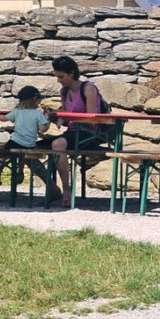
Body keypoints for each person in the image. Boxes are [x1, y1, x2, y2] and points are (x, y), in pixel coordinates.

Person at [45, 56, 107, 207]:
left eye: (61, 76)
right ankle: (54, 189)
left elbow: (92, 117)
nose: (59, 80)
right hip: (73, 132)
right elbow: (67, 120)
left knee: (58, 144)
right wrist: (55, 116)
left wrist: (67, 117)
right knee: (31, 146)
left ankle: (66, 189)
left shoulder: (88, 88)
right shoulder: (64, 92)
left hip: (90, 134)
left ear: (72, 73)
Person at [0, 85, 57, 201]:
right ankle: (54, 190)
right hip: (30, 146)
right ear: (34, 99)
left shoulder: (17, 112)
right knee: (31, 160)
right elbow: (43, 130)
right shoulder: (37, 114)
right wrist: (47, 119)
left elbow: (3, 118)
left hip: (15, 143)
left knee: (2, 154)